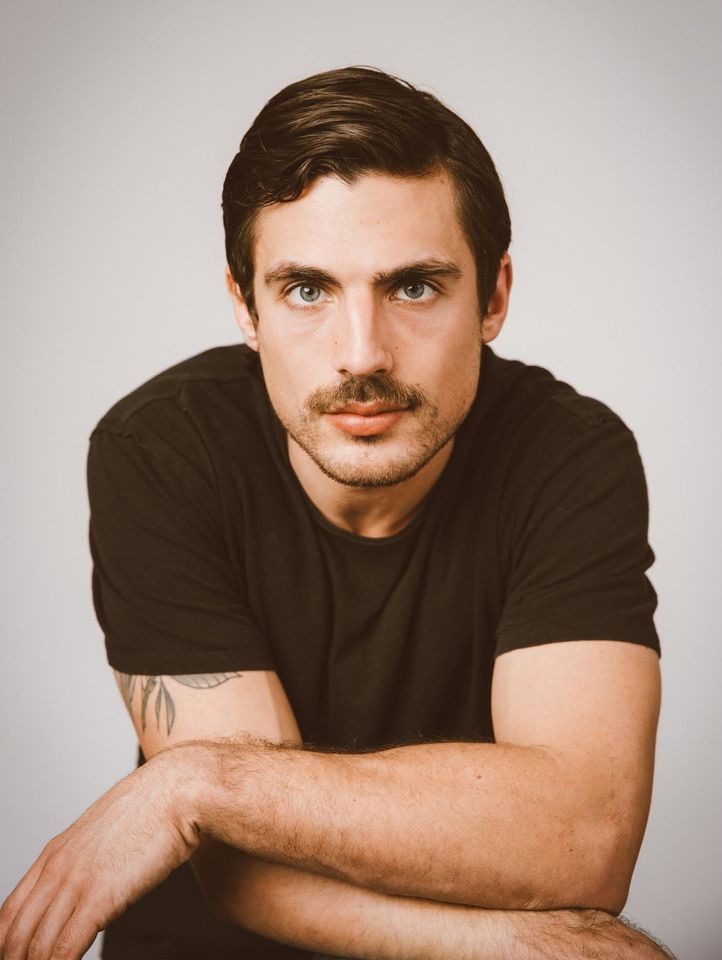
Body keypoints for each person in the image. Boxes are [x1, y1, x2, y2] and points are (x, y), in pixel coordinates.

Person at [0, 66, 675, 960]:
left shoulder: (569, 456)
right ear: (246, 306)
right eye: (307, 290)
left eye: (414, 287)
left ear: (494, 298)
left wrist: (197, 784)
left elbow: (584, 840)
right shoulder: (162, 451)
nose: (362, 355)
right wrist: (532, 947)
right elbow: (243, 868)